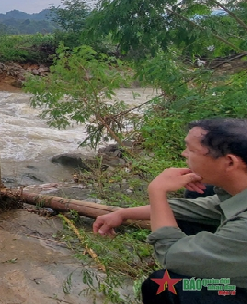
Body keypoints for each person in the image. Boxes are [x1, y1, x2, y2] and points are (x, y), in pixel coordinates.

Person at [92, 118, 247, 303]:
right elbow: (195, 208)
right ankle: (209, 260)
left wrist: (157, 190)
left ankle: (210, 272)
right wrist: (123, 213)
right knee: (197, 195)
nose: (184, 154)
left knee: (163, 284)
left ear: (229, 162)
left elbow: (171, 254)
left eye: (191, 150)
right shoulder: (237, 191)